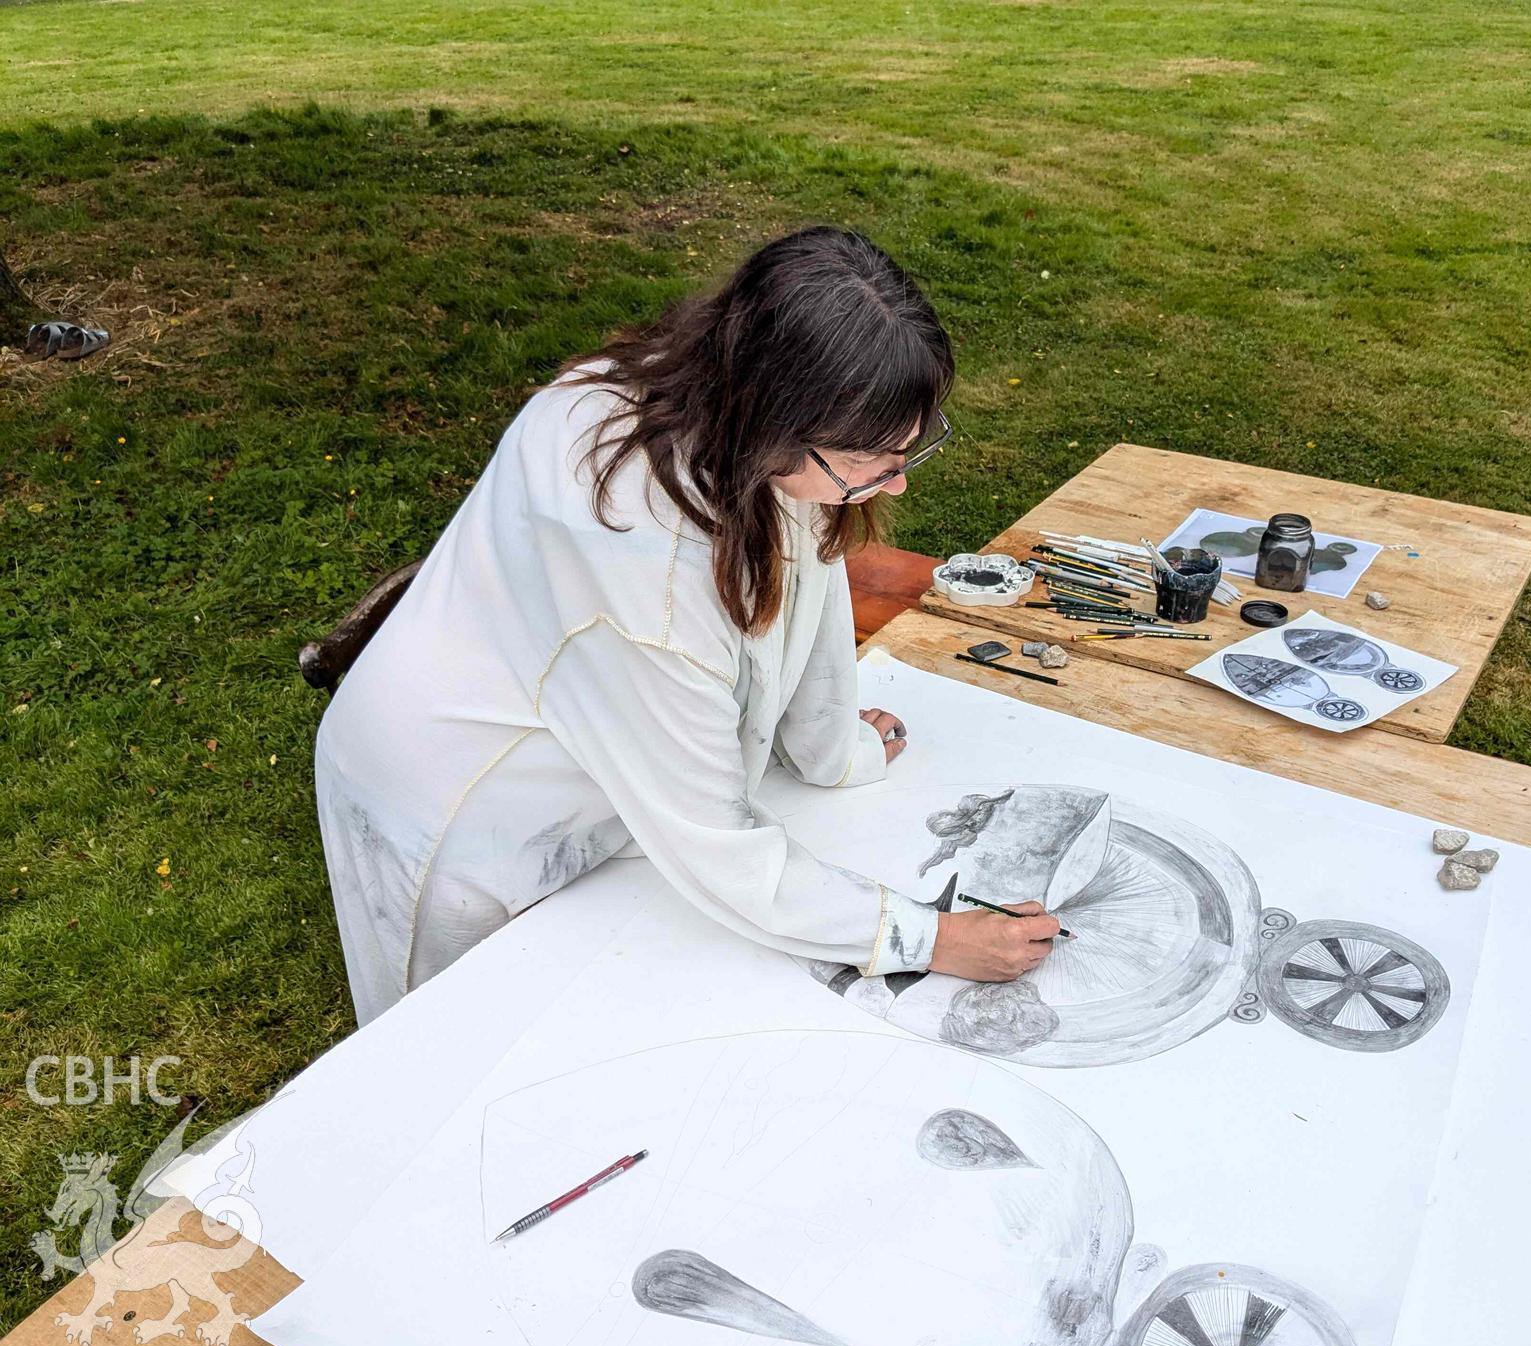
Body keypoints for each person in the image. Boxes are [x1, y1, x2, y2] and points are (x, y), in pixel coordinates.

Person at [313, 226, 1060, 1025]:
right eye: (873, 460)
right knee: (464, 1048)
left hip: (587, 741)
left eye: (909, 448)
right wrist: (930, 938)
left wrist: (829, 745)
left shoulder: (724, 410)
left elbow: (807, 565)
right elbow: (718, 847)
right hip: (465, 795)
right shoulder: (644, 574)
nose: (897, 485)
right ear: (777, 417)